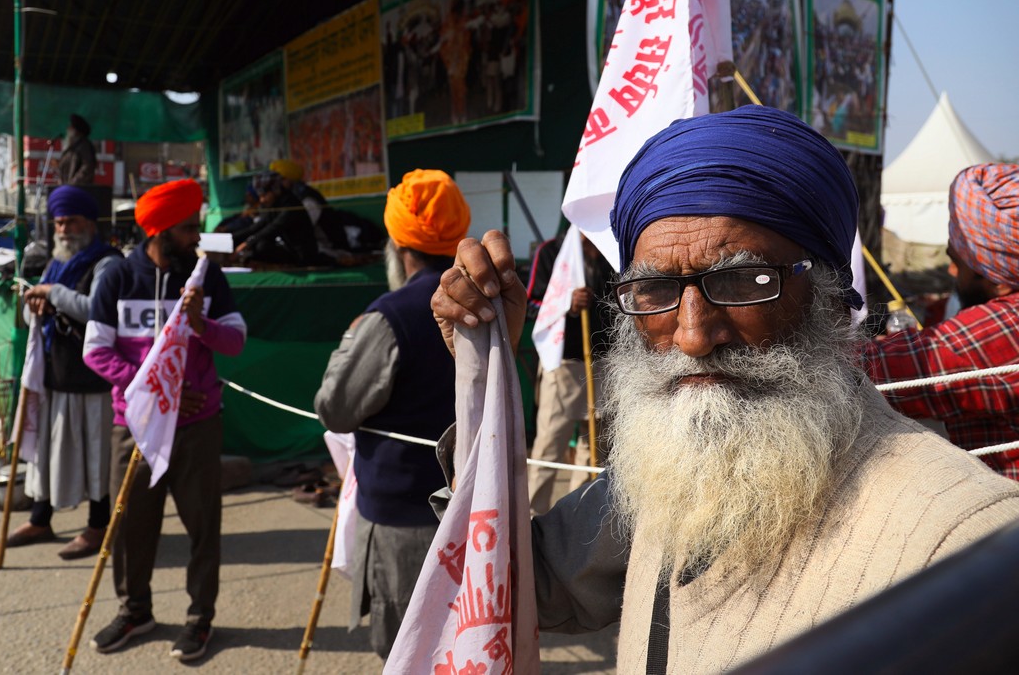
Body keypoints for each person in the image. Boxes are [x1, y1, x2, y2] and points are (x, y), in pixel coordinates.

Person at [431, 106, 1019, 672]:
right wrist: (486, 377)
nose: (692, 336)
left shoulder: (961, 537)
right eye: (655, 288)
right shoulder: (666, 476)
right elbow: (520, 586)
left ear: (831, 297)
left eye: (743, 280)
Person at [83, 178, 247, 662]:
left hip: (198, 428)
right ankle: (135, 611)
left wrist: (201, 324)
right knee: (130, 524)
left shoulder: (206, 278)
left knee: (203, 526)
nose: (196, 237)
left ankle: (200, 620)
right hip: (132, 426)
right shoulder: (115, 277)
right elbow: (96, 350)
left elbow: (235, 342)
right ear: (157, 231)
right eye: (187, 228)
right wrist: (159, 393)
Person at [313, 169, 471, 660]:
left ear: (399, 245)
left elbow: (334, 409)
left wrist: (351, 339)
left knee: (408, 652)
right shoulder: (488, 303)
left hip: (405, 523)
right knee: (461, 645)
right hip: (474, 509)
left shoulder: (390, 315)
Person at [865, 163, 1019, 479]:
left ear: (1000, 282)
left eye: (956, 262)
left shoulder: (1005, 326)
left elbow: (862, 372)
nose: (950, 273)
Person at [6, 185, 121, 559]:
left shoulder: (108, 263)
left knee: (94, 456)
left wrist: (53, 293)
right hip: (55, 374)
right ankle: (41, 518)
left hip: (92, 378)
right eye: (58, 222)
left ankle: (98, 525)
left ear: (89, 222)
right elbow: (31, 312)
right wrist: (34, 306)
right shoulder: (55, 262)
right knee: (46, 453)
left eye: (70, 220)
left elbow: (97, 310)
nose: (63, 228)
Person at [525, 232, 614, 515]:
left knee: (595, 452)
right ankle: (530, 521)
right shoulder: (552, 251)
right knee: (549, 449)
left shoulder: (612, 249)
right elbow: (531, 303)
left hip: (606, 362)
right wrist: (567, 304)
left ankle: (578, 518)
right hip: (563, 365)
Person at [58, 114, 97, 187]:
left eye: (70, 127)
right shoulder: (70, 149)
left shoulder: (84, 146)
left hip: (77, 190)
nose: (67, 129)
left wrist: (73, 183)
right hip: (66, 189)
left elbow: (87, 167)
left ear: (76, 131)